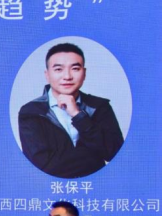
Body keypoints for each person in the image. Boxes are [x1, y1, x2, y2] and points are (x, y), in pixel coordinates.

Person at [18, 42, 124, 178]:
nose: (67, 76)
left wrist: (78, 115)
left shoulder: (99, 106)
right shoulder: (31, 112)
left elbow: (115, 154)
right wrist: (93, 158)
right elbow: (43, 166)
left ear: (84, 73)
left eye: (75, 68)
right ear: (47, 75)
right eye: (58, 69)